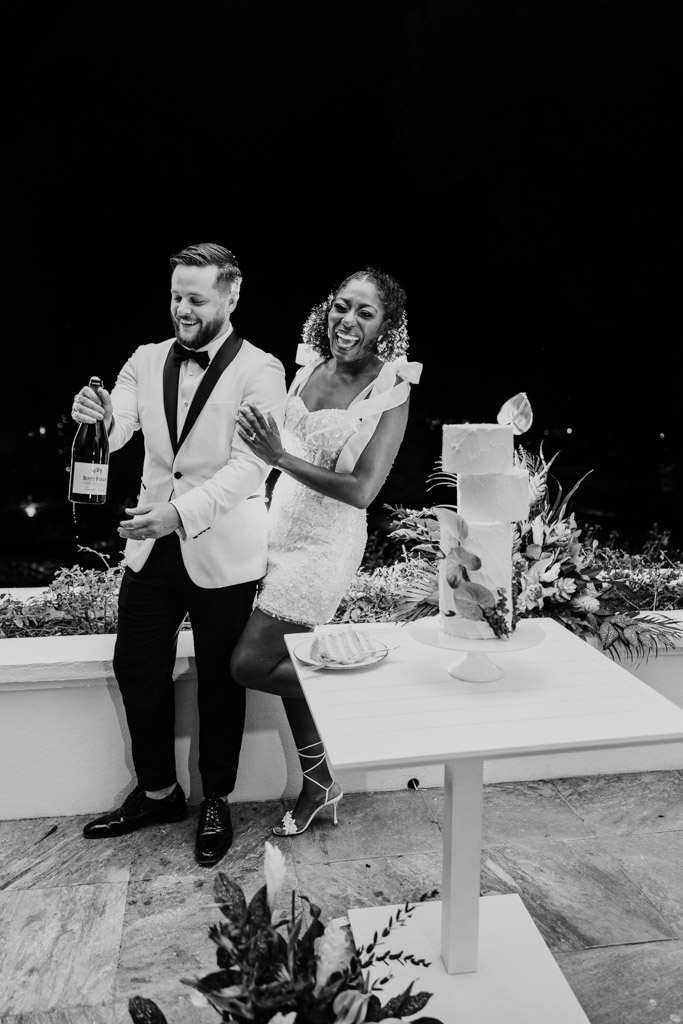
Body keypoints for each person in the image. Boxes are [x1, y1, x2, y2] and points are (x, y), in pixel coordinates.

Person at [70, 243, 287, 866]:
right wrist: (98, 418)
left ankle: (216, 798)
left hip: (221, 548)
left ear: (231, 296)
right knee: (136, 664)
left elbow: (252, 468)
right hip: (150, 545)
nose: (182, 310)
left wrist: (181, 514)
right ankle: (159, 792)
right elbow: (118, 431)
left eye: (196, 298)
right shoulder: (144, 359)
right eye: (175, 297)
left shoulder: (261, 371)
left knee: (221, 680)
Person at [231, 266, 421, 836]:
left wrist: (279, 456)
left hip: (325, 546)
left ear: (385, 325)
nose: (348, 320)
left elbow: (362, 490)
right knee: (295, 662)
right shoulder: (308, 363)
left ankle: (369, 689)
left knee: (249, 664)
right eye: (343, 306)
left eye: (366, 313)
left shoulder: (391, 391)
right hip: (275, 527)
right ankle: (320, 784)